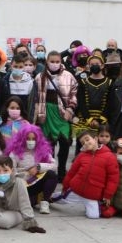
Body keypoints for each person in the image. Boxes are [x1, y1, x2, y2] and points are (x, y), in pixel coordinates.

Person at [33, 51, 77, 180]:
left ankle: (62, 171)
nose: (55, 64)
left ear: (61, 62)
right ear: (47, 62)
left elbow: (74, 94)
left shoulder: (69, 76)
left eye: (57, 61)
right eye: (52, 61)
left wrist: (70, 108)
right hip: (46, 113)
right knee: (49, 146)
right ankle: (49, 172)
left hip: (62, 113)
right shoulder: (39, 77)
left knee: (64, 143)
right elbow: (35, 97)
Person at [57, 130, 119, 219]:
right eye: (82, 143)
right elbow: (71, 173)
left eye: (87, 139)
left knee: (94, 216)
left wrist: (107, 195)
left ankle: (88, 205)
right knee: (57, 198)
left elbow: (113, 179)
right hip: (76, 190)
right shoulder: (81, 155)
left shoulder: (110, 157)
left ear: (95, 139)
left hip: (92, 195)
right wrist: (65, 186)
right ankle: (44, 199)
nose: (85, 143)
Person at [0, 156, 46, 233]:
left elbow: (25, 203)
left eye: (5, 170)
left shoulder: (19, 182)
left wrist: (30, 223)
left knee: (4, 222)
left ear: (11, 170)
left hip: (15, 211)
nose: (1, 173)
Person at [5, 124, 58, 215]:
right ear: (22, 139)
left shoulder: (43, 150)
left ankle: (45, 202)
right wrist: (25, 173)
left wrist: (38, 167)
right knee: (29, 203)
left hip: (37, 181)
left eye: (33, 139)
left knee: (51, 175)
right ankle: (33, 199)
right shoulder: (15, 153)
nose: (31, 141)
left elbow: (54, 166)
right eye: (28, 139)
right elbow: (10, 171)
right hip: (22, 185)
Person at [72, 54, 116, 151]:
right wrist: (89, 119)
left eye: (97, 63)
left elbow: (110, 102)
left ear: (102, 65)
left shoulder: (109, 82)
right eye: (91, 64)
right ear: (88, 66)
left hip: (102, 120)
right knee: (83, 147)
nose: (94, 66)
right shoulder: (83, 82)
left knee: (101, 148)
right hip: (85, 119)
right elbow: (81, 102)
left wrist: (100, 120)